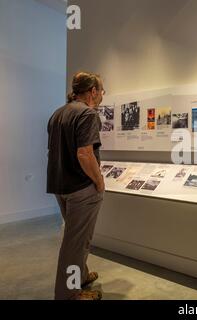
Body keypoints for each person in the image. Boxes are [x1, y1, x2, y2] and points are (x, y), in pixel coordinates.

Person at [47, 72, 106, 300]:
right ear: (92, 91)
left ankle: (79, 275)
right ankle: (69, 293)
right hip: (81, 188)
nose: (101, 95)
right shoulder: (87, 114)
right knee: (75, 242)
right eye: (101, 91)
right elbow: (84, 154)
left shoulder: (57, 114)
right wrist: (99, 181)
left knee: (80, 238)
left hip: (60, 185)